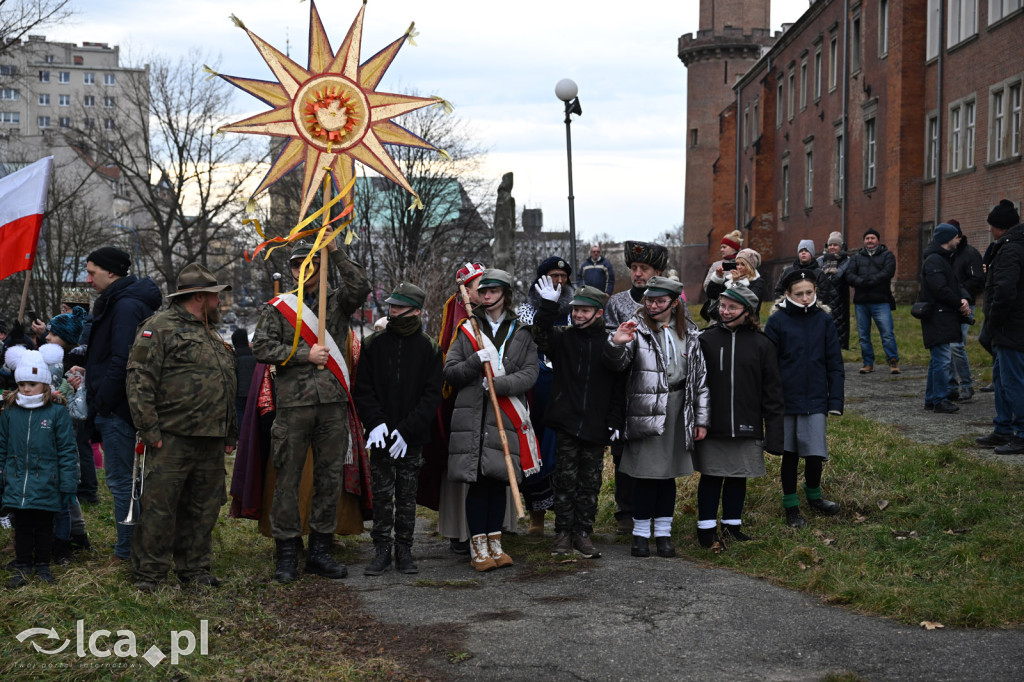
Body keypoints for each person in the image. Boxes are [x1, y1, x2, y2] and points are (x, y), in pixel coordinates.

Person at [252, 238, 370, 583]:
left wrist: (334, 251)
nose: (303, 269)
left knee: (329, 478)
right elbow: (261, 347)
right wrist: (305, 354)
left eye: (311, 263)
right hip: (294, 406)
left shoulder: (338, 302)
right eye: (297, 265)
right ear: (291, 269)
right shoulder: (279, 307)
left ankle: (320, 550)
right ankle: (287, 552)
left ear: (320, 266)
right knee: (287, 479)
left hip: (332, 405)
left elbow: (360, 286)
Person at [126, 263, 237, 591]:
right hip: (171, 438)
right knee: (160, 507)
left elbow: (226, 384)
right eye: (216, 296)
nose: (220, 302)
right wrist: (150, 429)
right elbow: (139, 377)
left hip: (211, 439)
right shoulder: (159, 327)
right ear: (200, 296)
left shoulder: (210, 331)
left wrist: (229, 433)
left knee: (203, 508)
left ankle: (194, 570)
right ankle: (150, 575)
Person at [605, 276, 709, 559]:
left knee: (667, 477)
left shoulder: (688, 332)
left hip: (678, 411)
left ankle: (663, 533)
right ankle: (640, 535)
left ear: (674, 304)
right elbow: (617, 364)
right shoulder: (635, 329)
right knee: (646, 476)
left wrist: (700, 419)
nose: (652, 305)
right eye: (649, 300)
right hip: (646, 408)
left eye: (659, 301)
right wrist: (616, 344)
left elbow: (699, 380)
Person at [444, 269, 540, 572]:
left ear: (505, 293)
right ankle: (478, 547)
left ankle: (496, 544)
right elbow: (450, 370)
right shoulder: (467, 329)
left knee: (499, 479)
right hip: (474, 416)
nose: (486, 296)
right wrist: (475, 361)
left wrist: (499, 385)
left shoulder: (522, 331)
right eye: (482, 291)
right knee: (479, 481)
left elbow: (530, 372)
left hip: (506, 415)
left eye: (492, 291)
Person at [74, 246, 161, 561]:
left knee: (123, 481)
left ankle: (127, 551)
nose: (87, 280)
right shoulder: (122, 302)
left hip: (120, 409)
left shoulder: (124, 306)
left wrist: (103, 402)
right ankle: (137, 547)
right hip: (124, 404)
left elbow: (123, 359)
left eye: (92, 272)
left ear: (111, 273)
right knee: (129, 480)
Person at [353, 282, 442, 576]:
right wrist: (376, 423)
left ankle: (404, 549)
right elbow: (363, 389)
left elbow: (431, 396)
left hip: (412, 438)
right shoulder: (372, 345)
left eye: (399, 307)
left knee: (406, 495)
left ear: (415, 311)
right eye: (391, 307)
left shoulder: (429, 348)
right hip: (380, 434)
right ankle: (381, 550)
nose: (392, 312)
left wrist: (407, 430)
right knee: (382, 495)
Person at [531, 279, 624, 558]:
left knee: (590, 482)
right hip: (566, 422)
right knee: (564, 479)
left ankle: (583, 533)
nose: (579, 315)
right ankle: (562, 533)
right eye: (576, 310)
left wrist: (615, 420)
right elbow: (539, 333)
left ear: (598, 313)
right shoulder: (562, 338)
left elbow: (619, 386)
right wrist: (548, 306)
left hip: (596, 424)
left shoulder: (610, 342)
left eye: (585, 310)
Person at [695, 285, 784, 547]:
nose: (725, 311)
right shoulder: (706, 340)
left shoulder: (762, 344)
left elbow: (773, 392)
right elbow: (696, 386)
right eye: (722, 306)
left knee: (737, 476)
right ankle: (706, 529)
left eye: (732, 307)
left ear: (747, 312)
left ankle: (732, 526)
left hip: (747, 424)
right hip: (713, 425)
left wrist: (775, 434)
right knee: (711, 477)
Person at [765, 269, 845, 527]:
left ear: (816, 292)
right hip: (787, 399)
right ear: (787, 294)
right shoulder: (777, 322)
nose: (804, 298)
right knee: (790, 454)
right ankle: (791, 505)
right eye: (798, 294)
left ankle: (815, 496)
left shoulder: (824, 320)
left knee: (814, 453)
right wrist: (770, 400)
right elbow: (768, 364)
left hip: (815, 398)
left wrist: (835, 401)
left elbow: (835, 362)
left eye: (809, 292)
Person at [604, 240, 668, 535]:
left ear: (657, 271)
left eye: (644, 268)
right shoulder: (617, 303)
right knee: (623, 454)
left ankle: (656, 512)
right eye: (634, 268)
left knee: (656, 450)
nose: (638, 273)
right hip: (625, 389)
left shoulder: (669, 300)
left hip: (658, 390)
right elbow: (609, 344)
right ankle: (626, 512)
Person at [1, 348, 78, 588]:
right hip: (16, 481)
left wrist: (67, 483)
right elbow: (2, 446)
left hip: (47, 481)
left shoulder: (57, 413)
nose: (25, 389)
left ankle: (43, 564)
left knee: (44, 526)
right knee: (22, 525)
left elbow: (67, 450)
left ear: (44, 384)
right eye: (22, 383)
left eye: (32, 383)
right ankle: (23, 565)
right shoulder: (10, 413)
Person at [516, 256, 575, 534]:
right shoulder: (526, 312)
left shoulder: (577, 310)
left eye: (563, 277)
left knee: (562, 452)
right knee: (535, 449)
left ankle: (566, 518)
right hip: (536, 388)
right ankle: (536, 514)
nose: (559, 282)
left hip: (567, 388)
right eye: (553, 276)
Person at [42, 308, 92, 563]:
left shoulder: (70, 365)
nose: (47, 337)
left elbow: (77, 410)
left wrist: (65, 390)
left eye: (52, 333)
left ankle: (76, 534)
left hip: (63, 434)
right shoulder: (47, 362)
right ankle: (68, 533)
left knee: (67, 487)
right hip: (46, 433)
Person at [976, 199, 1024, 455]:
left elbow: (1004, 292)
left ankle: (1021, 433)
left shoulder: (1010, 249)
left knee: (1013, 381)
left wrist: (993, 321)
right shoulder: (1011, 246)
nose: (990, 231)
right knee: (1001, 378)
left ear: (1000, 227)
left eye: (992, 227)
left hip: (1010, 327)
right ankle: (1003, 428)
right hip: (1009, 327)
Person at [917, 224, 971, 414]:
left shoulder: (942, 259)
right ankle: (939, 399)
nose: (959, 240)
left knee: (937, 360)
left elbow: (952, 285)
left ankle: (932, 399)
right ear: (947, 239)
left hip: (942, 316)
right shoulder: (935, 261)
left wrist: (962, 300)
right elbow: (940, 289)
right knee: (941, 360)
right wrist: (959, 304)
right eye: (957, 237)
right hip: (938, 316)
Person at [845, 229, 900, 375]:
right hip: (861, 303)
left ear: (878, 240)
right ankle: (868, 363)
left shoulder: (887, 255)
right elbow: (849, 274)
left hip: (881, 301)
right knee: (863, 336)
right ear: (864, 241)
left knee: (887, 333)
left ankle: (893, 361)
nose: (869, 240)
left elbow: (888, 272)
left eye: (872, 238)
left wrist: (870, 282)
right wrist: (861, 282)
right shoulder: (856, 258)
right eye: (867, 238)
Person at [948, 220, 985, 401]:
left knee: (956, 345)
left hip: (965, 305)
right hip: (949, 305)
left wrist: (958, 291)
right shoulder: (947, 254)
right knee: (949, 347)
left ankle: (966, 384)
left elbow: (978, 280)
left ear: (959, 236)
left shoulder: (970, 254)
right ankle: (952, 386)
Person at [703, 247, 768, 321]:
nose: (739, 267)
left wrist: (735, 283)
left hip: (747, 324)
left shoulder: (758, 282)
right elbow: (712, 295)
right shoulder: (729, 278)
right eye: (737, 264)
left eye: (743, 264)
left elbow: (749, 302)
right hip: (724, 322)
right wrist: (718, 278)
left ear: (750, 267)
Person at [817, 232, 852, 350]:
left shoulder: (847, 260)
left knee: (838, 336)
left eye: (835, 245)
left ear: (840, 247)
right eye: (830, 244)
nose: (832, 247)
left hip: (840, 303)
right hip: (822, 301)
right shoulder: (820, 260)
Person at [773, 239, 836, 304]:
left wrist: (813, 305)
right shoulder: (788, 271)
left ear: (812, 253)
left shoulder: (819, 273)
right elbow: (779, 290)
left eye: (806, 251)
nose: (803, 253)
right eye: (801, 251)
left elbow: (825, 293)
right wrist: (783, 303)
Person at [702, 230, 744, 296]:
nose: (721, 249)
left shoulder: (744, 265)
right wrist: (717, 278)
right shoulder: (716, 265)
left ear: (734, 247)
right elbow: (706, 287)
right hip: (717, 304)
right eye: (721, 247)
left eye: (724, 247)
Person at [232, 328, 256, 429]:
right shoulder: (254, 354)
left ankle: (242, 436)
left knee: (240, 413)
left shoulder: (233, 355)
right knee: (252, 415)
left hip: (239, 391)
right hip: (254, 391)